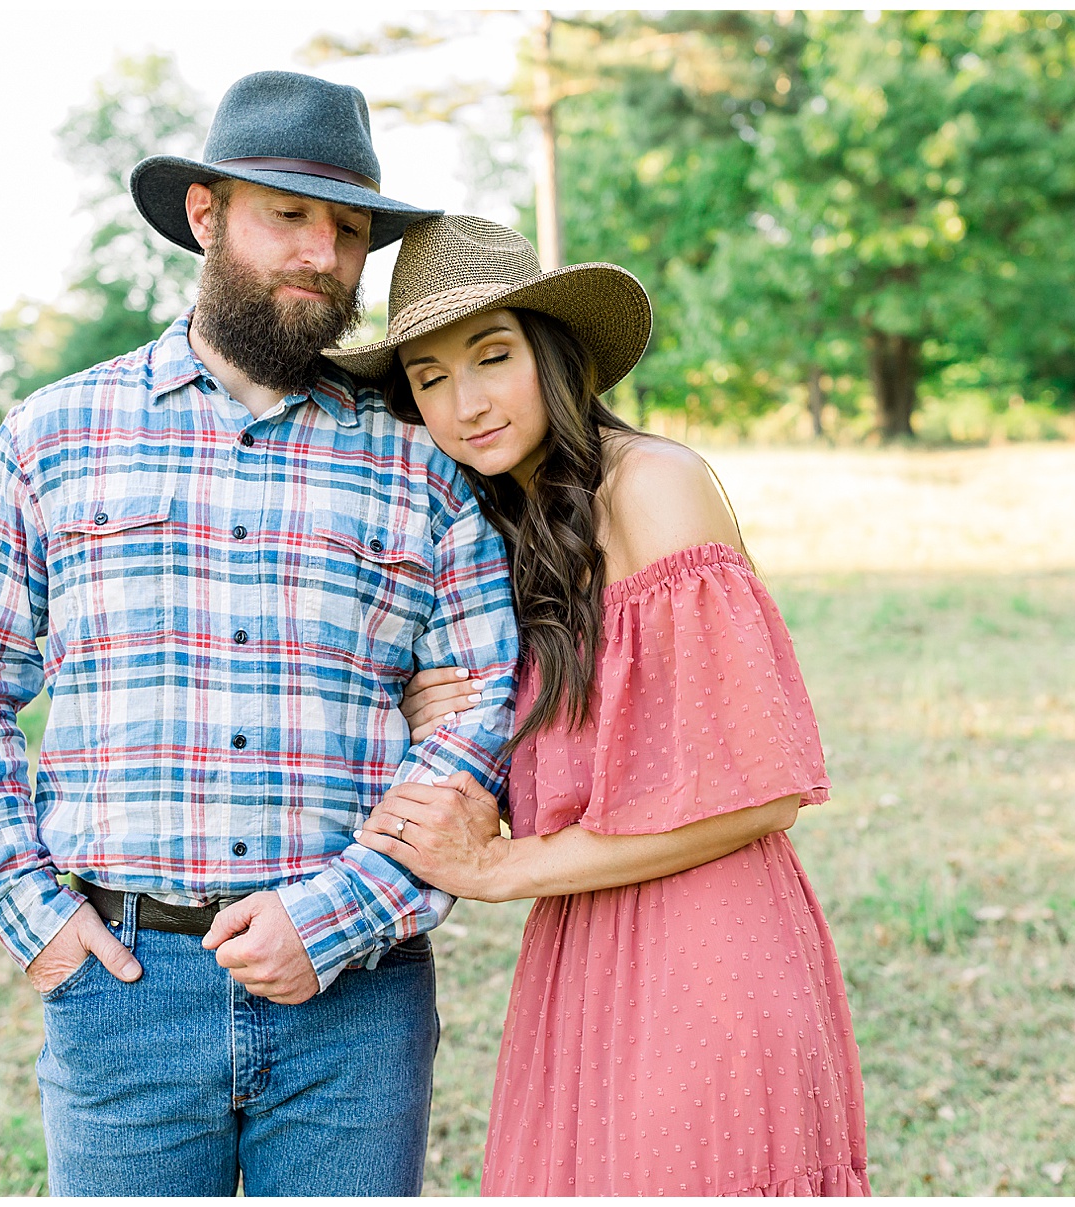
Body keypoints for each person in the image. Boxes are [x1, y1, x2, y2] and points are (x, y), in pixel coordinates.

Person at [0, 75, 520, 1196]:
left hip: (357, 1006)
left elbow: (483, 703)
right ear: (205, 216)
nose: (321, 253)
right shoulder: (54, 436)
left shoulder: (419, 464)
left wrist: (337, 915)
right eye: (288, 214)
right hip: (120, 987)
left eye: (346, 230)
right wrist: (27, 907)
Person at [326, 214, 869, 1196]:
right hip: (583, 956)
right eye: (431, 376)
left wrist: (497, 867)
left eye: (492, 356)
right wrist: (435, 701)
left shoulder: (653, 487)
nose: (466, 401)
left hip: (707, 947)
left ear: (557, 352)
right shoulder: (511, 534)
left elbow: (758, 794)